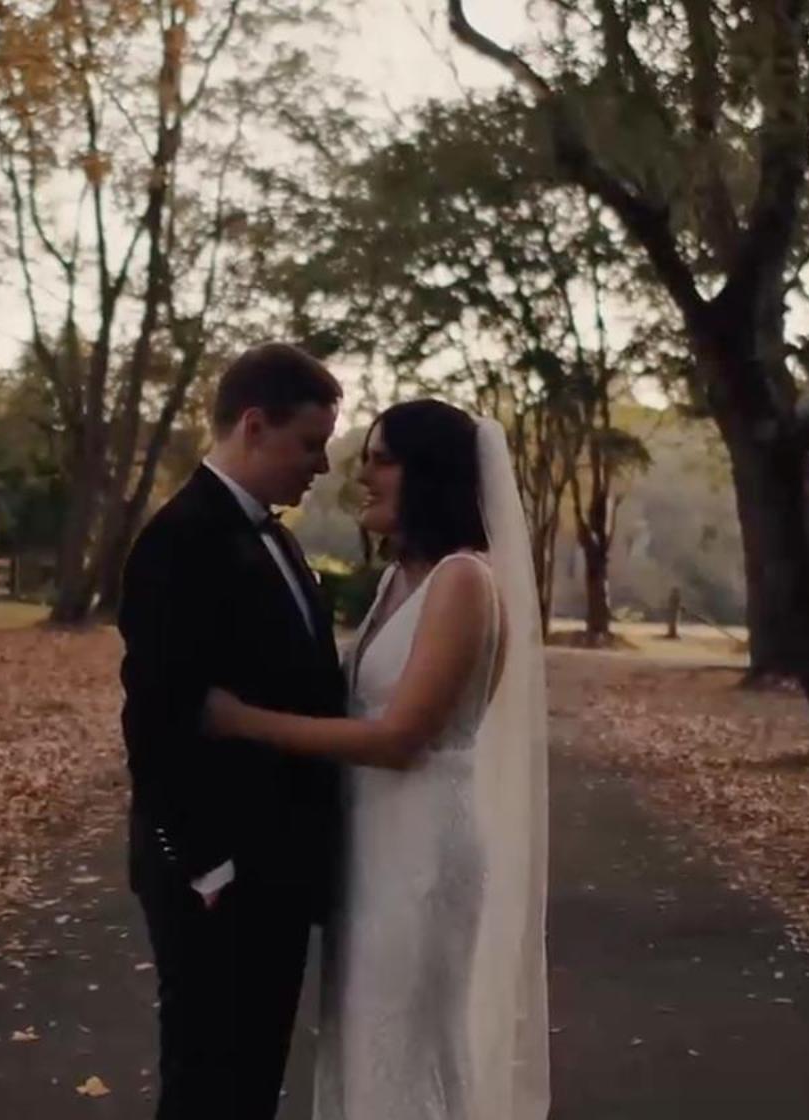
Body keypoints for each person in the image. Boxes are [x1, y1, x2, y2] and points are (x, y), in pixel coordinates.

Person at [204, 398, 551, 1120]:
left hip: (421, 848)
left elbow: (398, 739)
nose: (361, 476)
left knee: (405, 1047)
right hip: (370, 846)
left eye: (381, 459)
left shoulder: (463, 580)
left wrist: (241, 721)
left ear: (432, 474)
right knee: (362, 1042)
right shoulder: (402, 581)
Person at [116, 342, 346, 1119]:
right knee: (207, 1082)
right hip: (215, 872)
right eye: (309, 444)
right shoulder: (178, 540)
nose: (319, 466)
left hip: (275, 863)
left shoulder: (274, 538)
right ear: (254, 425)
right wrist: (206, 867)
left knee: (251, 1081)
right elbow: (154, 718)